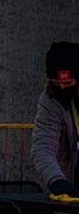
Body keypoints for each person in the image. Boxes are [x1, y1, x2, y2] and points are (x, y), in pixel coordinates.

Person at [33, 41, 79, 197]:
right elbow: (43, 146)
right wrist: (56, 181)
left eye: (68, 82)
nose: (62, 88)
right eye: (56, 82)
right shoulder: (50, 100)